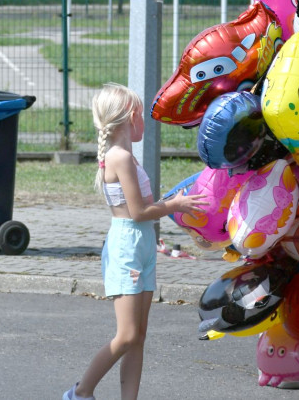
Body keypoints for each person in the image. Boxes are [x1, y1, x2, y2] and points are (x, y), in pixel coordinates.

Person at [63, 83, 204, 400]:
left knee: (138, 336)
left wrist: (170, 204)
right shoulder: (120, 158)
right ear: (131, 116)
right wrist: (175, 205)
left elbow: (145, 207)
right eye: (143, 115)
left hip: (142, 245)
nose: (146, 123)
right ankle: (80, 392)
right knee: (127, 334)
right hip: (127, 246)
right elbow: (139, 212)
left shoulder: (127, 157)